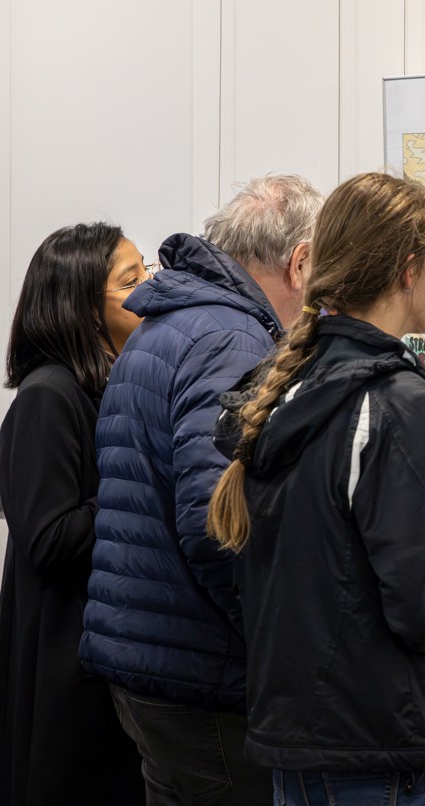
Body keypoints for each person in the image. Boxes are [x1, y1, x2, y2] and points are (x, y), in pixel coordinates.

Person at [206, 172, 425, 804]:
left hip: (308, 745)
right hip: (384, 755)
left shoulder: (292, 385)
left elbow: (334, 554)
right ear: (408, 270)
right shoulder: (397, 402)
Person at [79, 175, 322, 804]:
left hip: (152, 659)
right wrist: (276, 640)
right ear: (299, 263)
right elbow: (217, 525)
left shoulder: (169, 324)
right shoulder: (232, 340)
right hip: (202, 671)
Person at [0, 223, 147, 803]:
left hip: (96, 658)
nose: (150, 289)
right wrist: (138, 482)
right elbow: (49, 539)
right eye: (131, 281)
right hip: (63, 674)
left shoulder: (99, 388)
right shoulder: (48, 395)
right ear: (84, 309)